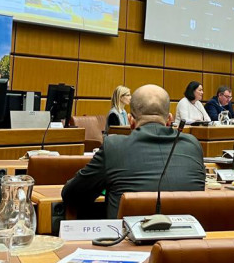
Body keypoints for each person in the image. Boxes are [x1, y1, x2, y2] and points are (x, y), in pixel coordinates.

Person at [62, 85, 205, 218]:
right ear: (170, 120)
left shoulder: (114, 146)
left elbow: (72, 196)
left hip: (126, 242)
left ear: (130, 120)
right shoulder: (192, 145)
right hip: (186, 242)